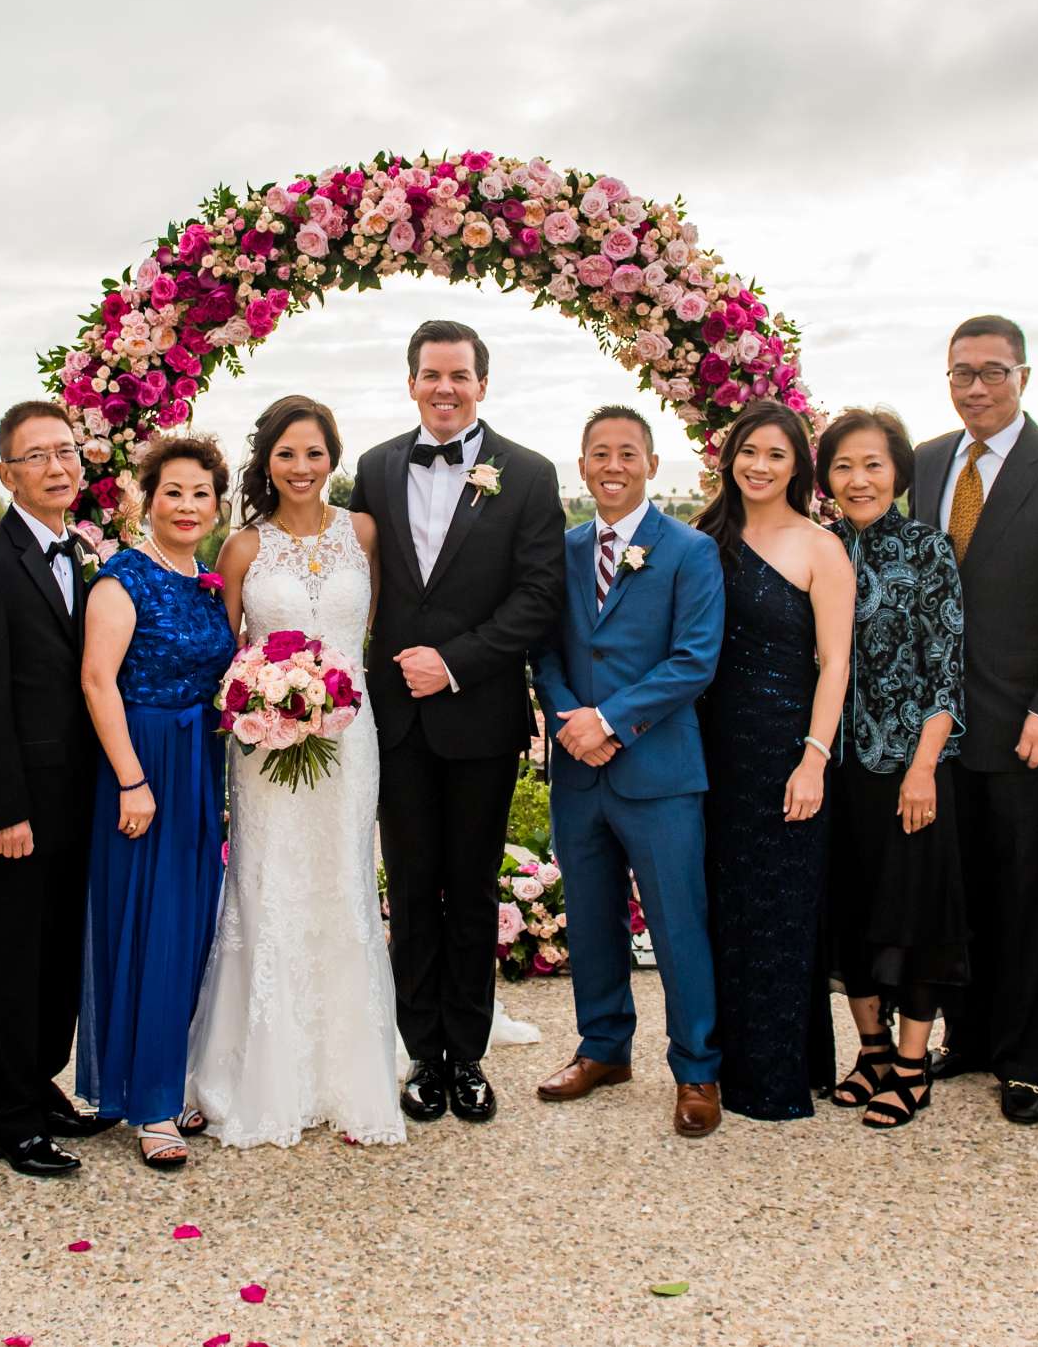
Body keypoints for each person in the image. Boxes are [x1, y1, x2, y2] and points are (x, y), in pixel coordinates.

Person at [347, 320, 565, 1126]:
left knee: (471, 888)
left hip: (479, 714)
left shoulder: (532, 475)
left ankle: (467, 1056)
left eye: (460, 376)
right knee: (407, 882)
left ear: (483, 384)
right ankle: (419, 1053)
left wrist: (458, 660)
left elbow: (539, 597)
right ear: (411, 383)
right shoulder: (371, 468)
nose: (446, 388)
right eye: (431, 375)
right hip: (396, 717)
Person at [912, 314, 1038, 1125]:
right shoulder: (927, 462)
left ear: (1023, 376)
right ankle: (971, 1037)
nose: (976, 387)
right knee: (956, 890)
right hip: (939, 729)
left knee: (1028, 893)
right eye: (962, 372)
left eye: (993, 371)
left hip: (1026, 724)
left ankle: (1026, 1060)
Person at [187, 396, 405, 1149]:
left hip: (352, 739)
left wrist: (329, 697)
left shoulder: (365, 532)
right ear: (267, 461)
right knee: (270, 883)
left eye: (313, 453)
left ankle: (351, 1069)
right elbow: (223, 658)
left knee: (343, 877)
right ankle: (259, 1072)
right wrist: (270, 704)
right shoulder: (243, 547)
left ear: (332, 456)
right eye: (286, 454)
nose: (301, 468)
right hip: (264, 749)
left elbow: (370, 627)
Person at [532, 406, 728, 1136]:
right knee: (589, 920)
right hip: (580, 771)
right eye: (598, 454)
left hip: (660, 772)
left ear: (651, 463)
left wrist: (609, 721)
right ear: (581, 466)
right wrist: (570, 723)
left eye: (627, 453)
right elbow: (543, 650)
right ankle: (604, 1048)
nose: (612, 465)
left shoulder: (689, 550)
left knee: (678, 924)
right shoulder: (564, 549)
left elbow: (694, 658)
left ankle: (698, 1069)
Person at [0, 402, 112, 1178]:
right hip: (14, 807)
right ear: (7, 474)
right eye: (37, 456)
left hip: (76, 795)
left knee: (57, 952)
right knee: (13, 957)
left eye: (66, 451)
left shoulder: (77, 553)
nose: (57, 466)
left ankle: (41, 1083)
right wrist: (4, 810)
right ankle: (7, 1121)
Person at [689, 403, 853, 1123]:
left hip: (788, 751)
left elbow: (836, 662)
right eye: (749, 451)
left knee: (783, 910)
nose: (760, 465)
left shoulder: (821, 546)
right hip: (710, 750)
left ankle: (780, 1072)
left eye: (776, 455)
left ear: (798, 467)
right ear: (730, 458)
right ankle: (716, 1064)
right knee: (721, 905)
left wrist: (814, 759)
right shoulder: (703, 537)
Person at [77, 434, 237, 1169]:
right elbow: (96, 682)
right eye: (173, 491)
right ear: (147, 497)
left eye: (200, 493)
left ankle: (168, 1082)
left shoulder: (204, 578)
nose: (186, 505)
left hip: (199, 761)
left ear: (217, 504)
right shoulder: (123, 578)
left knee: (192, 927)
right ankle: (147, 1106)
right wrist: (134, 780)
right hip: (142, 763)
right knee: (150, 928)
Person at [818, 408, 970, 1130]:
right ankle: (871, 1050)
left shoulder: (927, 550)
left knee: (911, 913)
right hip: (837, 765)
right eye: (844, 466)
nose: (859, 479)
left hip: (908, 766)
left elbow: (946, 674)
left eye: (873, 464)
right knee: (852, 909)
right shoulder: (821, 549)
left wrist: (924, 767)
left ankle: (912, 1065)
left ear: (899, 473)